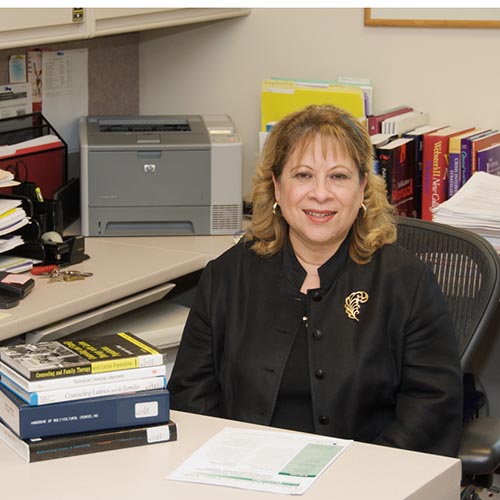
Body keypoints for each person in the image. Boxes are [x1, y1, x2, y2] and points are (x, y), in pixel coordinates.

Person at [167, 104, 463, 457]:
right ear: (277, 187)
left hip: (367, 482)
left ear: (362, 187)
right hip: (242, 478)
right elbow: (190, 397)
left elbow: (431, 409)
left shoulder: (406, 284)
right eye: (303, 175)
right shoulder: (228, 277)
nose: (320, 193)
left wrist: (362, 478)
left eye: (338, 176)